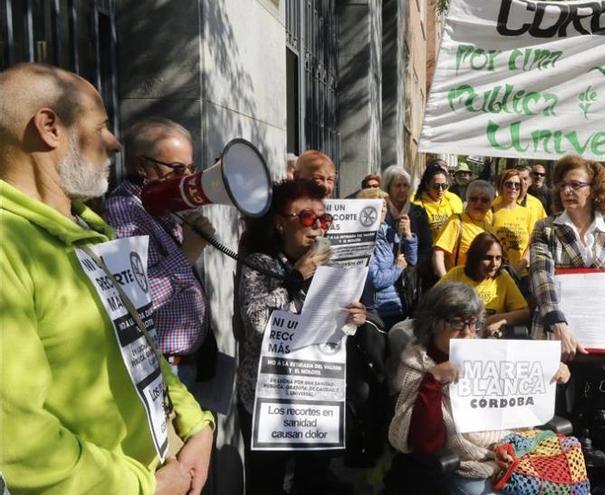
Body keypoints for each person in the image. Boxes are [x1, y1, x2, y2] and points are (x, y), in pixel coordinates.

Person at [0, 63, 213, 495]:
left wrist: (195, 422)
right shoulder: (7, 248)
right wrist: (142, 486)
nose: (114, 143)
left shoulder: (92, 230)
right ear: (49, 128)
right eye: (101, 127)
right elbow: (17, 441)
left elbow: (142, 341)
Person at [235, 179, 368, 494]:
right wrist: (295, 277)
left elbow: (335, 335)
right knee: (266, 482)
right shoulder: (260, 264)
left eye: (324, 220)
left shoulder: (330, 270)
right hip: (266, 398)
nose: (318, 227)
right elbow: (256, 324)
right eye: (308, 218)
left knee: (314, 480)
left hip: (313, 394)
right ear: (281, 223)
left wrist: (354, 318)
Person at [388, 282, 569, 495]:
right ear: (433, 323)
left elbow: (521, 399)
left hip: (511, 451)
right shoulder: (416, 366)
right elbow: (425, 445)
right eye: (457, 323)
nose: (467, 333)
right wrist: (433, 380)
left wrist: (551, 369)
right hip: (464, 464)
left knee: (561, 483)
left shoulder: (489, 355)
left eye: (473, 324)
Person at [104, 117, 213, 387]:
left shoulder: (157, 209)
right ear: (142, 166)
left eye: (190, 168)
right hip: (158, 368)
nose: (187, 179)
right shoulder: (123, 212)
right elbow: (132, 300)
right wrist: (187, 254)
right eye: (176, 169)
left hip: (181, 364)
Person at [530, 155, 605, 364]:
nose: (567, 191)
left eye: (576, 185)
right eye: (563, 185)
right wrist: (558, 324)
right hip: (553, 340)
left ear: (594, 189)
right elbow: (541, 278)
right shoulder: (546, 228)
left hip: (602, 344)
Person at [439, 233, 529, 338]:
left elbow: (524, 313)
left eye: (498, 258)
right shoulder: (456, 274)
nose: (494, 264)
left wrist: (499, 320)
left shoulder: (503, 278)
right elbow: (431, 305)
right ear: (475, 257)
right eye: (488, 258)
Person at [358, 187, 418, 329]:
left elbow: (412, 260)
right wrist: (397, 268)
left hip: (397, 306)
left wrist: (408, 235)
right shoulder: (364, 239)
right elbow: (376, 280)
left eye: (384, 205)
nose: (383, 209)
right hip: (379, 312)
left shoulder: (388, 232)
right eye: (378, 206)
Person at [432, 180, 494, 278]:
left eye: (484, 200)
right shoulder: (456, 221)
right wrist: (445, 282)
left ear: (491, 203)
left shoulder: (490, 229)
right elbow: (438, 253)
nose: (479, 203)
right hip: (458, 286)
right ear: (467, 200)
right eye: (474, 199)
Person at [490, 169, 533, 278]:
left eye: (517, 184)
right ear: (501, 187)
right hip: (495, 273)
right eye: (508, 184)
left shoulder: (527, 213)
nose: (513, 188)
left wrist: (518, 268)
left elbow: (532, 244)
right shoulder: (491, 210)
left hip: (522, 275)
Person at [411, 160, 463, 241]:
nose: (440, 190)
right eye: (436, 186)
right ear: (427, 185)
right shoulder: (416, 202)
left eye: (444, 186)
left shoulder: (454, 200)